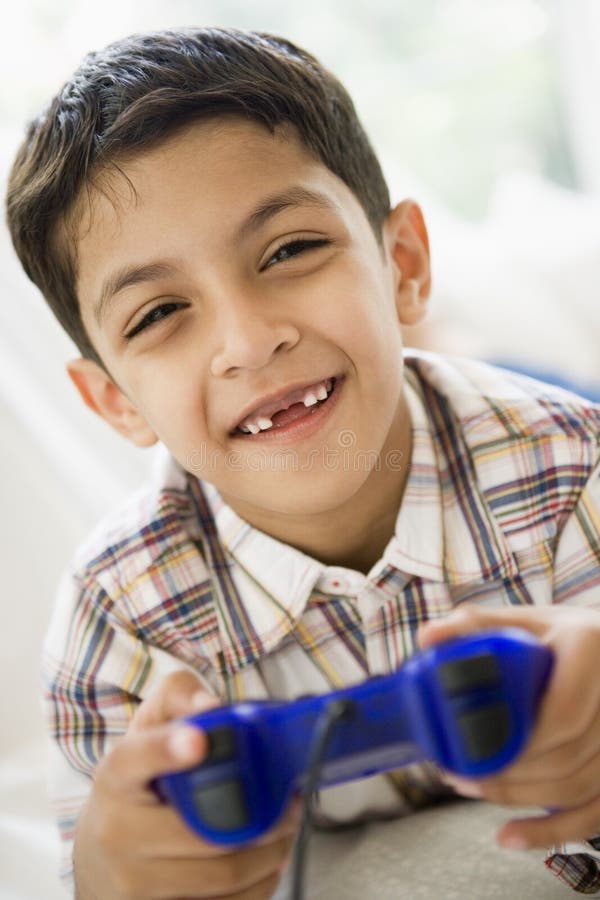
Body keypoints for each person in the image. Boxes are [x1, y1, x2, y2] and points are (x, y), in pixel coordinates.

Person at [5, 26, 600, 899]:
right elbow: (107, 867)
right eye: (160, 312)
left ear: (402, 266)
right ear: (116, 403)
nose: (248, 340)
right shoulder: (120, 622)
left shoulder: (571, 469)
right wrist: (114, 879)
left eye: (289, 250)